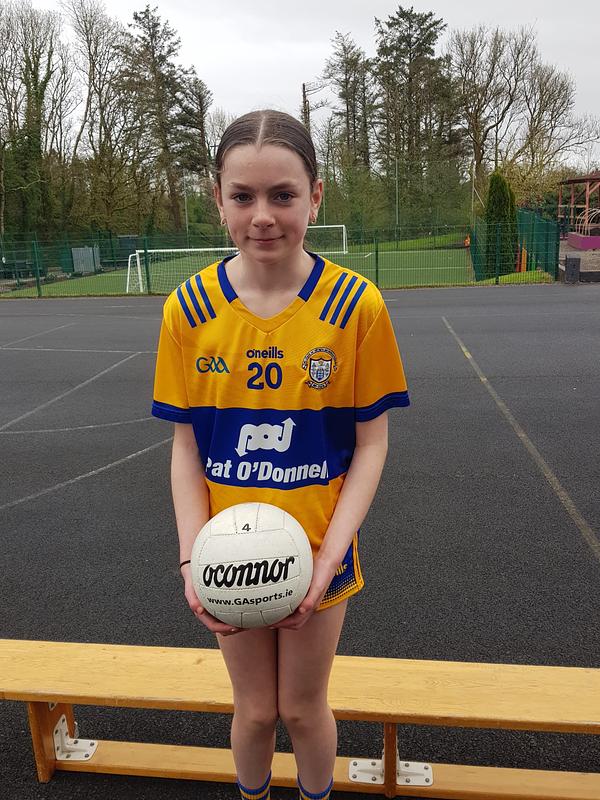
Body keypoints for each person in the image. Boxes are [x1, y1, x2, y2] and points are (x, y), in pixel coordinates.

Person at [152, 109, 409, 800]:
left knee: (301, 707)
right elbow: (185, 448)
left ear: (315, 196)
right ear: (218, 199)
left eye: (283, 195)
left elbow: (372, 444)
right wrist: (191, 559)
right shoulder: (188, 309)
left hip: (320, 550)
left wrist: (328, 558)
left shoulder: (356, 307)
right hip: (227, 555)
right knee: (256, 710)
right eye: (243, 196)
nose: (262, 215)